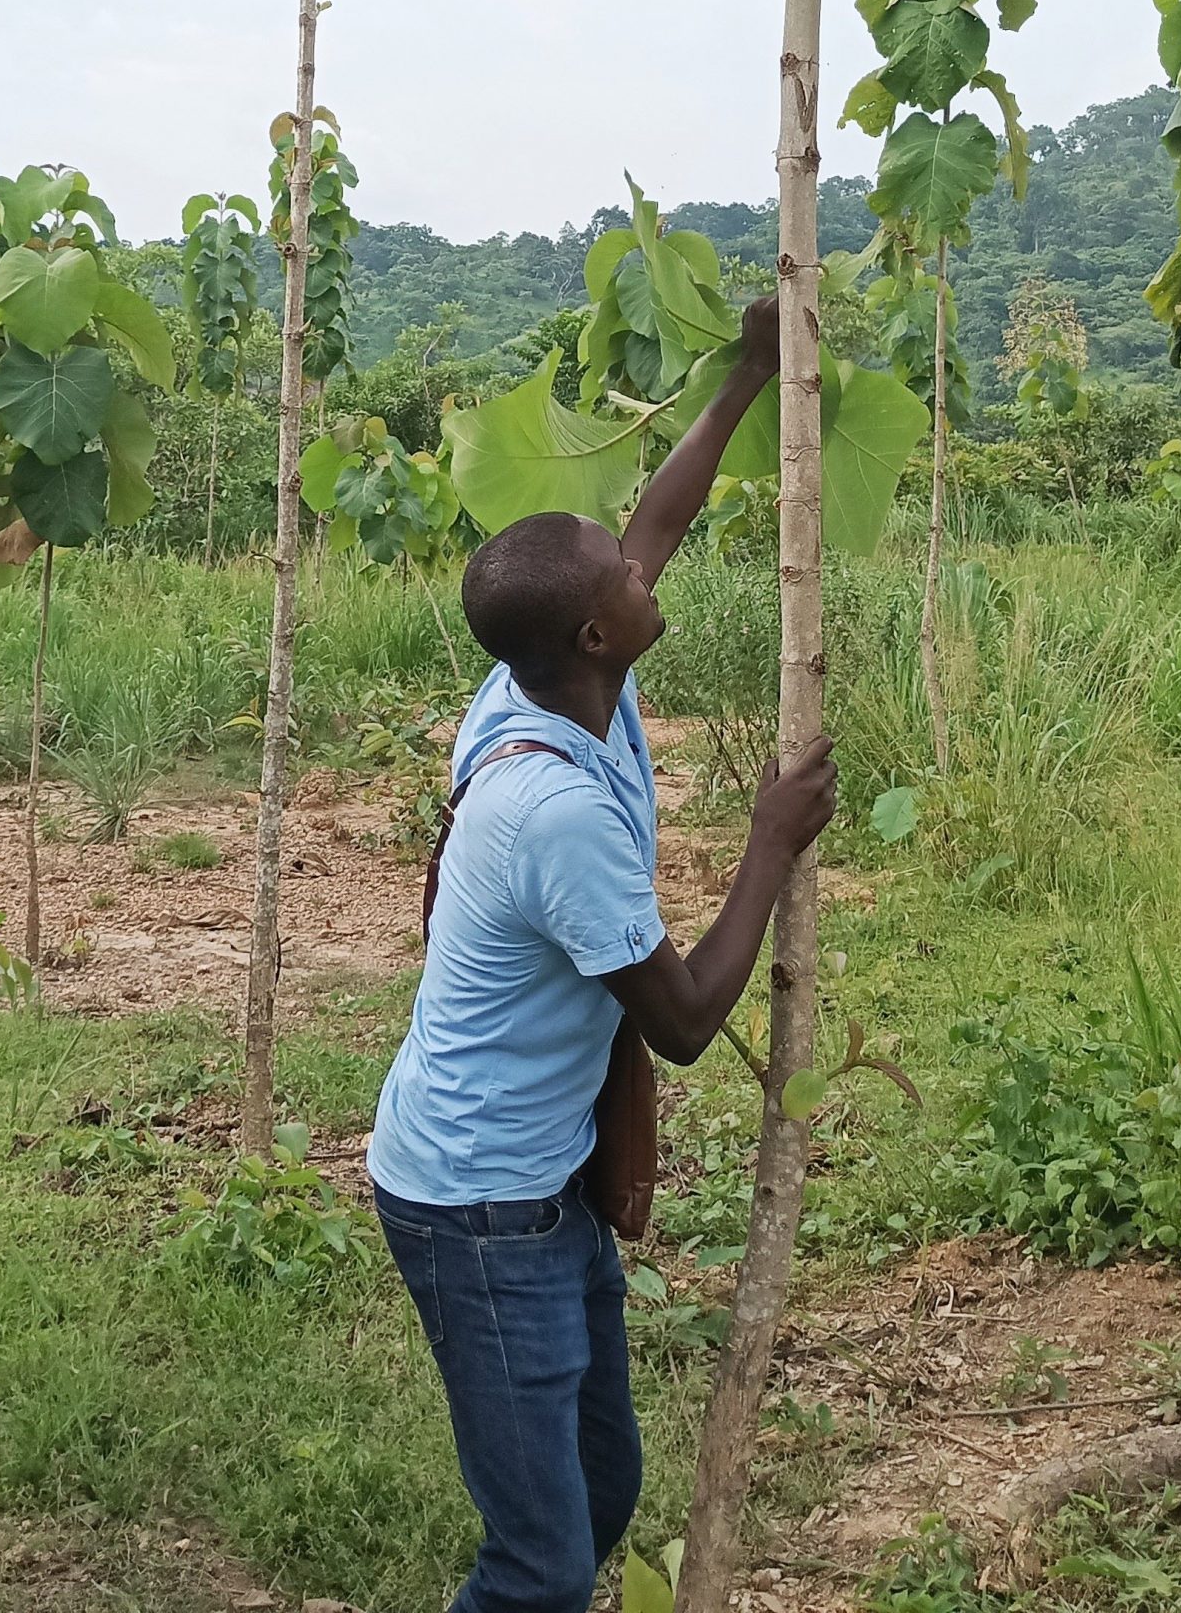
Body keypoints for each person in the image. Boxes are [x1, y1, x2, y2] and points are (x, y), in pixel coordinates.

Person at [368, 295, 839, 1613]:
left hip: (540, 1181)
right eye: (623, 582)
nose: (645, 570)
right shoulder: (552, 807)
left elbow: (660, 520)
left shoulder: (548, 681)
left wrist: (748, 377)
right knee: (540, 1565)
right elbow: (685, 1019)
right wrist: (770, 842)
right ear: (594, 633)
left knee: (602, 1489)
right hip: (478, 1207)